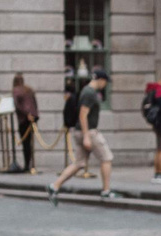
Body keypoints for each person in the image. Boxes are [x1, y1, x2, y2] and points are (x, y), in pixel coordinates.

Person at [49, 70, 114, 200]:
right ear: (101, 80)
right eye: (105, 82)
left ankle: (55, 186)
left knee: (79, 163)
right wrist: (86, 136)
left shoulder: (86, 91)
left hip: (82, 131)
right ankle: (106, 190)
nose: (105, 85)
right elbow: (83, 115)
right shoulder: (89, 93)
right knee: (106, 158)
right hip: (89, 131)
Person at [11, 74, 39, 173]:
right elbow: (35, 103)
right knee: (30, 142)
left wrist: (26, 114)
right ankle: (31, 164)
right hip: (33, 117)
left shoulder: (16, 91)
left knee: (26, 143)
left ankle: (27, 165)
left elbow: (17, 106)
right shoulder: (29, 89)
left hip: (24, 119)